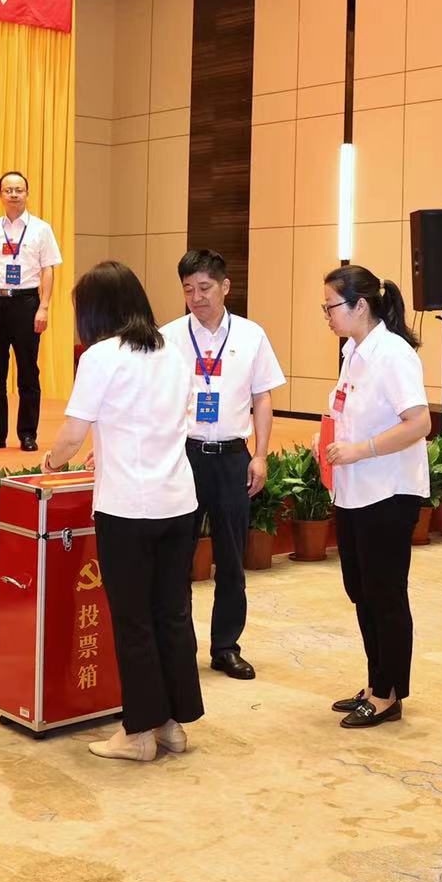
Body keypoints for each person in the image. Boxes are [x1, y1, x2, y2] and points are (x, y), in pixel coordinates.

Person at [41, 260, 204, 763]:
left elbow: (73, 433)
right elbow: (162, 419)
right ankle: (171, 724)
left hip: (128, 507)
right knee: (172, 614)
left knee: (133, 621)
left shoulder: (100, 356)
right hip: (178, 502)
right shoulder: (173, 351)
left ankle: (137, 733)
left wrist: (50, 461)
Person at [162, 249, 286, 681]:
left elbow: (263, 398)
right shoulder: (169, 337)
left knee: (232, 559)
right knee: (177, 558)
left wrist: (261, 455)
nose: (197, 297)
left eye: (205, 287)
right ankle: (177, 647)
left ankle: (226, 647)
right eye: (188, 289)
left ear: (225, 287)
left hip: (233, 457)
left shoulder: (251, 335)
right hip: (184, 457)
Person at [320, 264, 432, 729]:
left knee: (385, 594)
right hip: (354, 491)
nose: (327, 315)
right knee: (362, 591)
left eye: (330, 306)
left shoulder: (393, 354)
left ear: (359, 305)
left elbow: (419, 423)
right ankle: (375, 682)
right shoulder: (353, 351)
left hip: (388, 492)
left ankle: (389, 694)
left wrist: (361, 449)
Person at [0, 171, 64, 453]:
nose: (14, 194)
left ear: (27, 193)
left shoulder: (41, 229)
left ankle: (27, 434)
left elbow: (48, 270)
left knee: (28, 372)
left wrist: (44, 307)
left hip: (27, 303)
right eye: (8, 190)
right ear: (0, 195)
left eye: (19, 189)